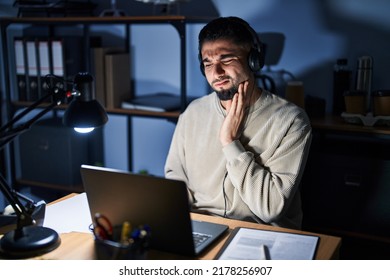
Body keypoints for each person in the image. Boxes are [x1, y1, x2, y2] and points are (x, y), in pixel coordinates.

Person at [164, 16, 312, 230]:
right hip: (201, 226)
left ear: (253, 60)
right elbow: (175, 179)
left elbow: (270, 209)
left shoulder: (291, 121)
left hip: (259, 232)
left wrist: (230, 142)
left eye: (226, 59)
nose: (216, 73)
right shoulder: (193, 113)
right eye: (208, 64)